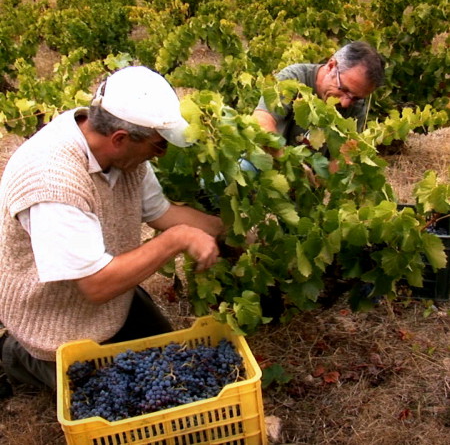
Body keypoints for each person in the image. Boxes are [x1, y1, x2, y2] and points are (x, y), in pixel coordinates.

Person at [0, 66, 224, 395]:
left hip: (111, 298)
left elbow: (162, 212)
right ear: (119, 138)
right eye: (159, 146)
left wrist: (224, 230)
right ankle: (15, 358)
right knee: (124, 401)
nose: (161, 154)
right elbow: (96, 286)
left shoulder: (126, 157)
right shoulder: (51, 178)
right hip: (54, 319)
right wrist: (176, 241)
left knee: (172, 367)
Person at [253, 41, 385, 157]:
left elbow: (341, 160)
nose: (345, 104)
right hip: (273, 162)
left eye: (356, 98)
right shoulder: (294, 78)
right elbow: (261, 121)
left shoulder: (358, 106)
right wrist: (290, 163)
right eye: (344, 89)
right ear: (331, 66)